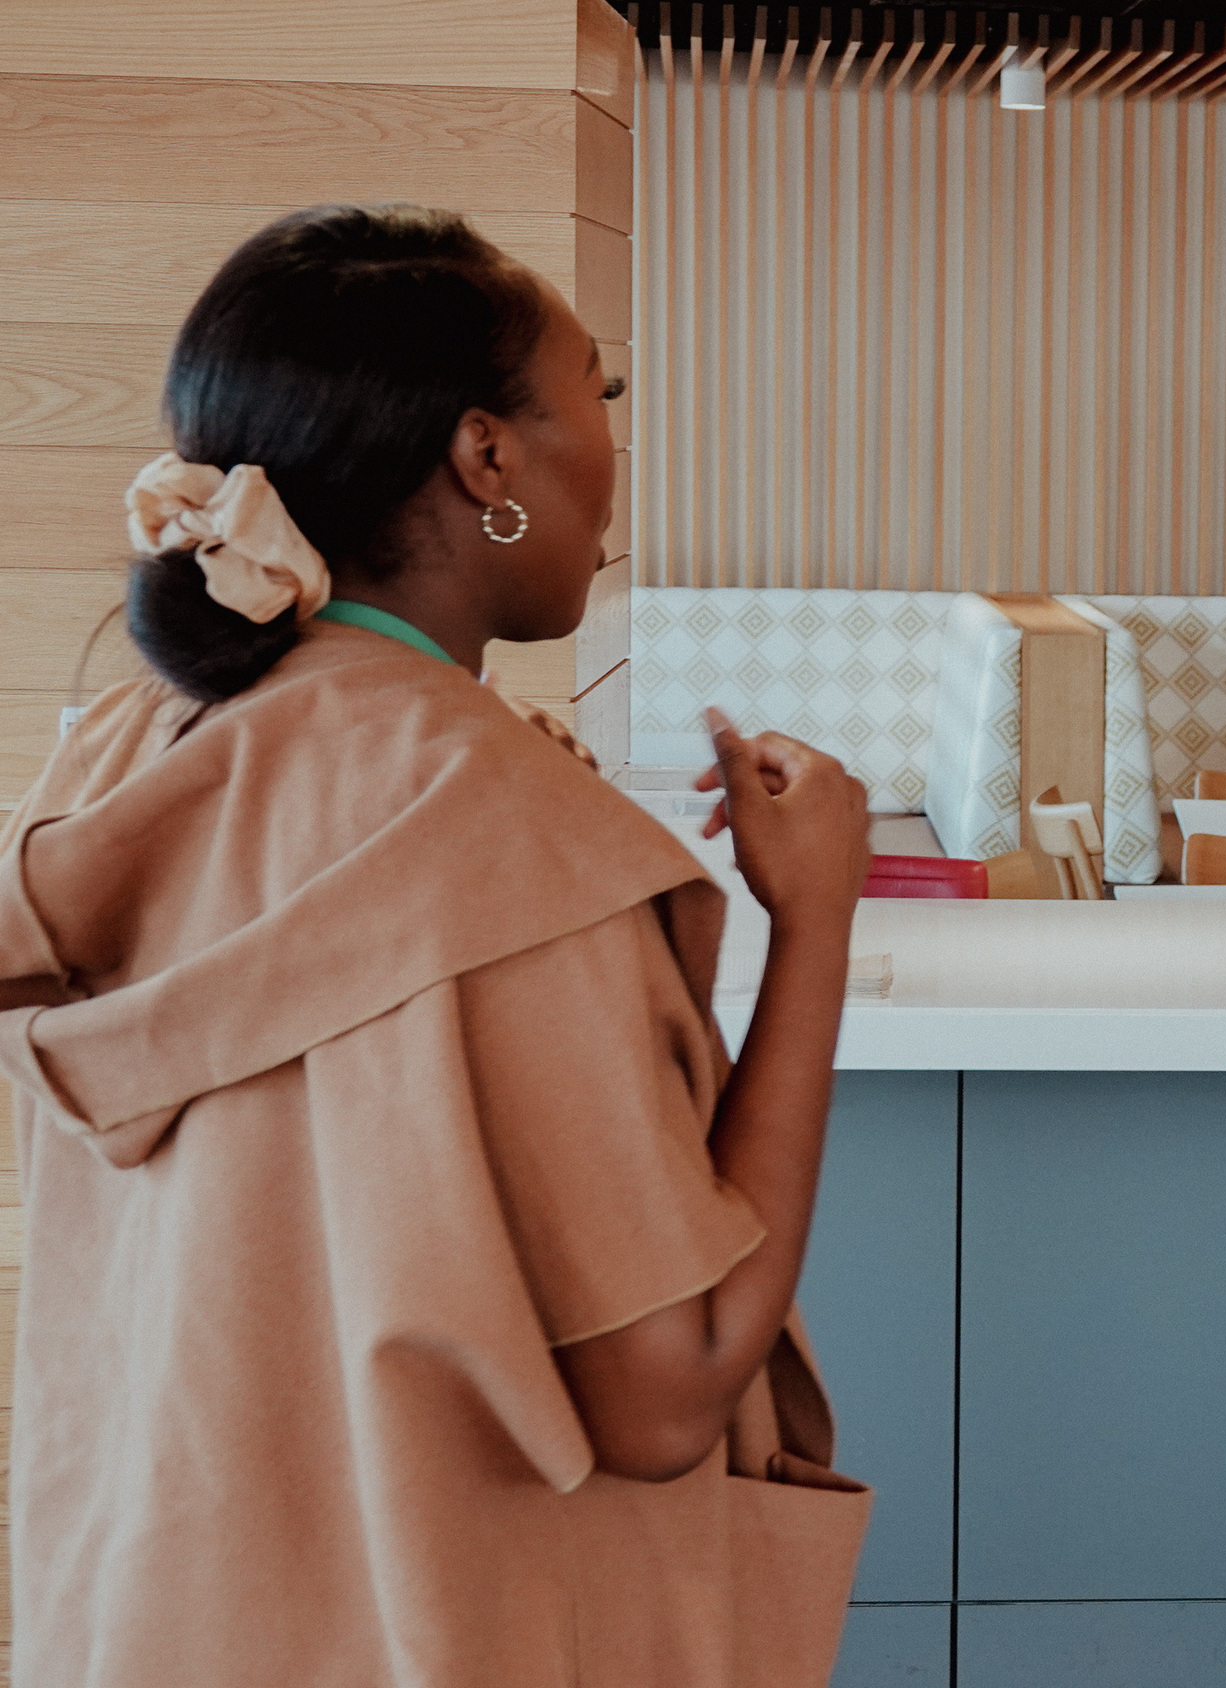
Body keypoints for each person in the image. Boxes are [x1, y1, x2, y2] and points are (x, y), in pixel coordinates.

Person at [2, 204, 874, 1687]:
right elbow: (667, 1394)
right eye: (598, 397)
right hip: (450, 1623)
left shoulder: (130, 751)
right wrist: (819, 923)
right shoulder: (501, 833)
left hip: (155, 1611)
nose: (611, 449)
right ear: (486, 458)